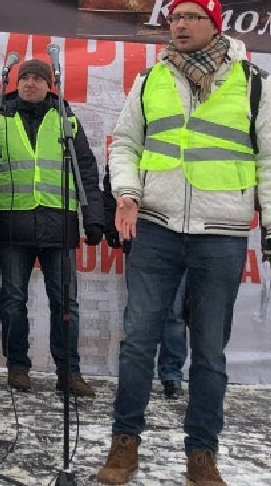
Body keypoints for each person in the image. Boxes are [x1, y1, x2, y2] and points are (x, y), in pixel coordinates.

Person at [96, 0, 271, 486]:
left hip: (221, 235)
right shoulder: (150, 78)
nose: (179, 25)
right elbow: (125, 145)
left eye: (191, 16)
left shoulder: (254, 84)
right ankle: (124, 446)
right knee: (139, 341)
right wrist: (126, 193)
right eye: (174, 17)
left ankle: (202, 455)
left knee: (209, 352)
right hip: (157, 229)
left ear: (214, 24)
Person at [0, 58, 103, 398]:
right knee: (13, 300)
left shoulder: (66, 120)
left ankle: (69, 372)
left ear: (50, 84)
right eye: (25, 78)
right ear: (15, 83)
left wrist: (93, 217)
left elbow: (86, 172)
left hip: (58, 223)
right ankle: (18, 367)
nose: (30, 83)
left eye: (37, 78)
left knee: (65, 303)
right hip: (13, 222)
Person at [103, 166, 187, 399]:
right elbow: (113, 186)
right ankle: (137, 375)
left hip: (178, 237)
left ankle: (171, 374)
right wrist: (111, 227)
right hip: (139, 240)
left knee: (175, 312)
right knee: (140, 314)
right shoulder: (132, 143)